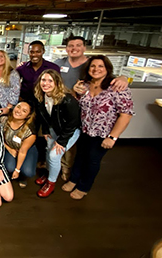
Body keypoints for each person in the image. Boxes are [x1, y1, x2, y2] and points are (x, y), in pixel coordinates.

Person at [54, 36, 129, 181]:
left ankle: (69, 173)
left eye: (78, 45)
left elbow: (125, 114)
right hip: (74, 119)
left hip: (94, 127)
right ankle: (63, 172)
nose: (74, 48)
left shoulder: (93, 66)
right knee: (71, 149)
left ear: (84, 48)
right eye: (71, 45)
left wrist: (123, 77)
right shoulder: (60, 63)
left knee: (80, 153)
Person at [63, 55, 134, 200]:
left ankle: (84, 187)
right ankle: (74, 179)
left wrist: (112, 137)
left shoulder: (117, 87)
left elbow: (125, 115)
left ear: (107, 68)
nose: (96, 69)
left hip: (103, 133)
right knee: (80, 156)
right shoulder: (85, 85)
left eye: (100, 66)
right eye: (93, 66)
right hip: (84, 130)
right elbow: (75, 104)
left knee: (92, 160)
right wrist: (74, 91)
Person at [34, 69, 81, 198]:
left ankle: (51, 183)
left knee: (54, 155)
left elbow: (73, 123)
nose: (46, 83)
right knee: (49, 150)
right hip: (54, 128)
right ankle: (49, 174)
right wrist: (45, 130)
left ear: (57, 83)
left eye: (50, 80)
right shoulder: (40, 96)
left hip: (69, 131)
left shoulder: (67, 99)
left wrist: (61, 141)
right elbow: (42, 116)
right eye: (43, 80)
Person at [2, 101, 37, 189]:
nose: (19, 111)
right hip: (10, 146)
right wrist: (9, 149)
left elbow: (22, 151)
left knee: (28, 171)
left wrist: (17, 170)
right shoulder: (4, 120)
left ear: (28, 116)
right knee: (9, 168)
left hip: (26, 150)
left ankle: (23, 178)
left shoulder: (30, 131)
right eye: (18, 107)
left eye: (24, 111)